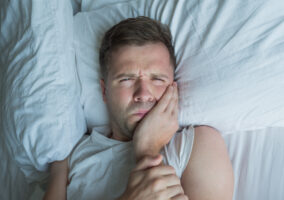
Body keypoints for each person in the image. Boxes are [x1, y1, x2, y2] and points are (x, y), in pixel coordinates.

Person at [43, 16, 234, 200]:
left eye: (157, 79)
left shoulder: (197, 144)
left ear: (173, 88)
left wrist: (147, 151)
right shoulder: (70, 158)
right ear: (104, 91)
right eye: (127, 79)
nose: (143, 93)